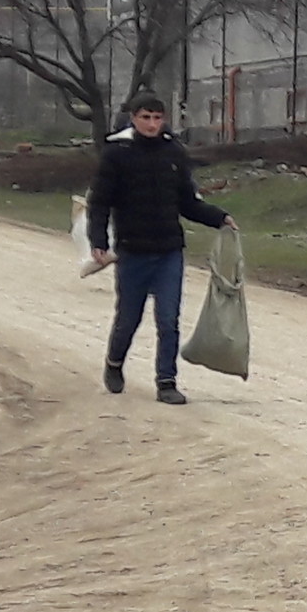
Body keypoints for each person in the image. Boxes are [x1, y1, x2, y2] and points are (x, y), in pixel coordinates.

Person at [86, 91, 235, 406]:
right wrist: (98, 240)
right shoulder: (117, 154)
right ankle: (114, 363)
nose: (152, 124)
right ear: (134, 119)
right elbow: (99, 201)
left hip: (169, 250)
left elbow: (187, 202)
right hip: (132, 251)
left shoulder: (173, 153)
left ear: (163, 119)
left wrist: (219, 217)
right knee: (129, 318)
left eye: (157, 118)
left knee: (168, 319)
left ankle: (166, 382)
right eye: (145, 117)